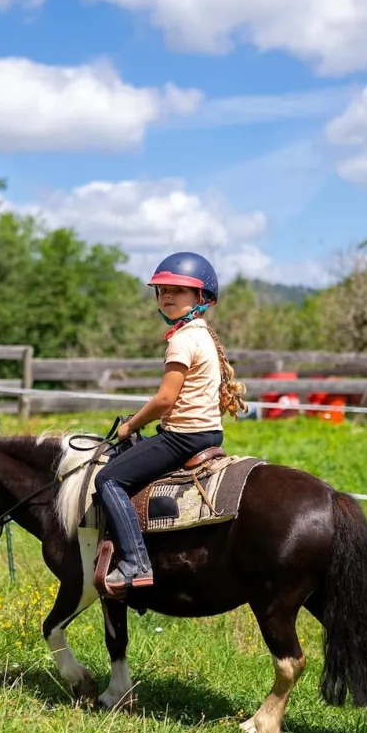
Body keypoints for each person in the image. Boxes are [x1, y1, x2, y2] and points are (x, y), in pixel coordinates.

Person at [94, 251, 247, 596]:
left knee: (108, 479)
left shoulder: (182, 339)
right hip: (208, 431)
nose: (167, 296)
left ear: (201, 298)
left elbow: (165, 399)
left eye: (177, 290)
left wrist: (130, 426)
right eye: (162, 290)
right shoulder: (203, 333)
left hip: (183, 436)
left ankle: (135, 563)